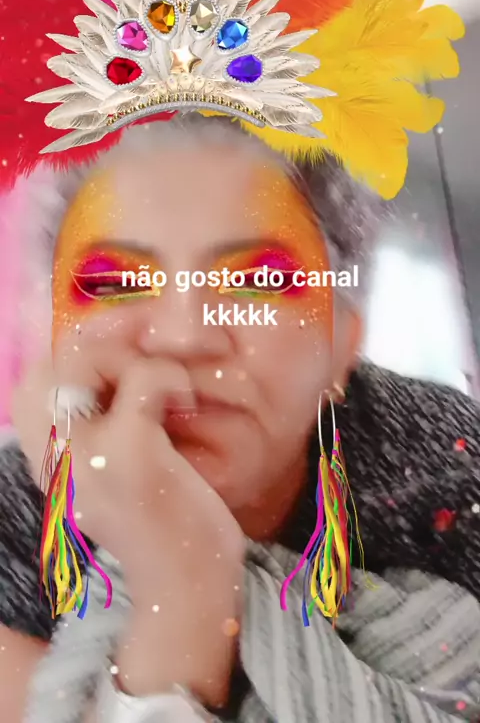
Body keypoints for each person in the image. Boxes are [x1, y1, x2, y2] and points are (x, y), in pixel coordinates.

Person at [1, 115, 480, 723]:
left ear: (343, 345)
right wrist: (183, 579)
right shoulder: (11, 524)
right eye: (117, 282)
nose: (184, 336)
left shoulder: (450, 468)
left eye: (258, 280)